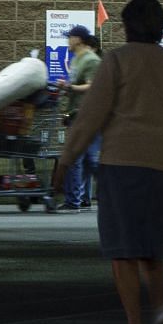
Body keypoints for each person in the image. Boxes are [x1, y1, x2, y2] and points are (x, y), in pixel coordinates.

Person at [53, 0, 163, 324]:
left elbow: (91, 115)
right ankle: (161, 308)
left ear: (125, 26)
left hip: (122, 163)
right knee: (151, 244)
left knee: (122, 249)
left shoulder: (116, 61)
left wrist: (66, 159)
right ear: (161, 28)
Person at [57, 24, 103, 212]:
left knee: (85, 160)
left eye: (70, 37)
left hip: (88, 116)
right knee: (83, 160)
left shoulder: (91, 60)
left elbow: (93, 86)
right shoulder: (76, 60)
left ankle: (76, 200)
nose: (68, 40)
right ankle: (74, 199)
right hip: (77, 115)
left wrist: (70, 88)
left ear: (77, 39)